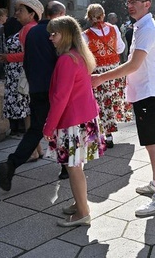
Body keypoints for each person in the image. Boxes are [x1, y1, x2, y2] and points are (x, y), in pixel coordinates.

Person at [91, 0, 155, 217]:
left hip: (149, 93)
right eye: (128, 1)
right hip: (143, 92)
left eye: (135, 1)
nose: (130, 5)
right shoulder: (140, 26)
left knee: (153, 145)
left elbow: (133, 65)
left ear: (148, 4)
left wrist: (101, 77)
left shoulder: (148, 29)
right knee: (149, 143)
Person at [0, 1, 67, 191]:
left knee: (36, 129)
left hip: (37, 88)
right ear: (61, 13)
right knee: (64, 126)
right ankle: (66, 167)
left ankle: (11, 164)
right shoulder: (61, 31)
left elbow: (27, 60)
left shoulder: (33, 31)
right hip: (56, 88)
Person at [44, 16, 106, 227]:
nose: (51, 38)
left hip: (72, 121)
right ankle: (80, 203)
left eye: (55, 33)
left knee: (73, 167)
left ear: (67, 35)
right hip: (83, 118)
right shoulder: (79, 55)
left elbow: (61, 97)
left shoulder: (66, 60)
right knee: (76, 165)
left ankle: (83, 213)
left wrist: (49, 126)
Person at [0, 0, 43, 149]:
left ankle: (33, 150)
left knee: (28, 114)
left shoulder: (29, 29)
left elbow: (29, 54)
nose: (16, 13)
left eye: (20, 11)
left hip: (23, 74)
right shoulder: (28, 28)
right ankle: (36, 149)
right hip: (22, 73)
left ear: (32, 14)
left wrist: (8, 57)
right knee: (28, 114)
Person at [82, 3, 130, 149]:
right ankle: (109, 135)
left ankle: (101, 135)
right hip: (114, 71)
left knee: (100, 103)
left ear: (89, 17)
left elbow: (84, 55)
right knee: (112, 101)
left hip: (98, 73)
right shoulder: (114, 28)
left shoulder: (86, 35)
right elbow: (120, 48)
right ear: (103, 15)